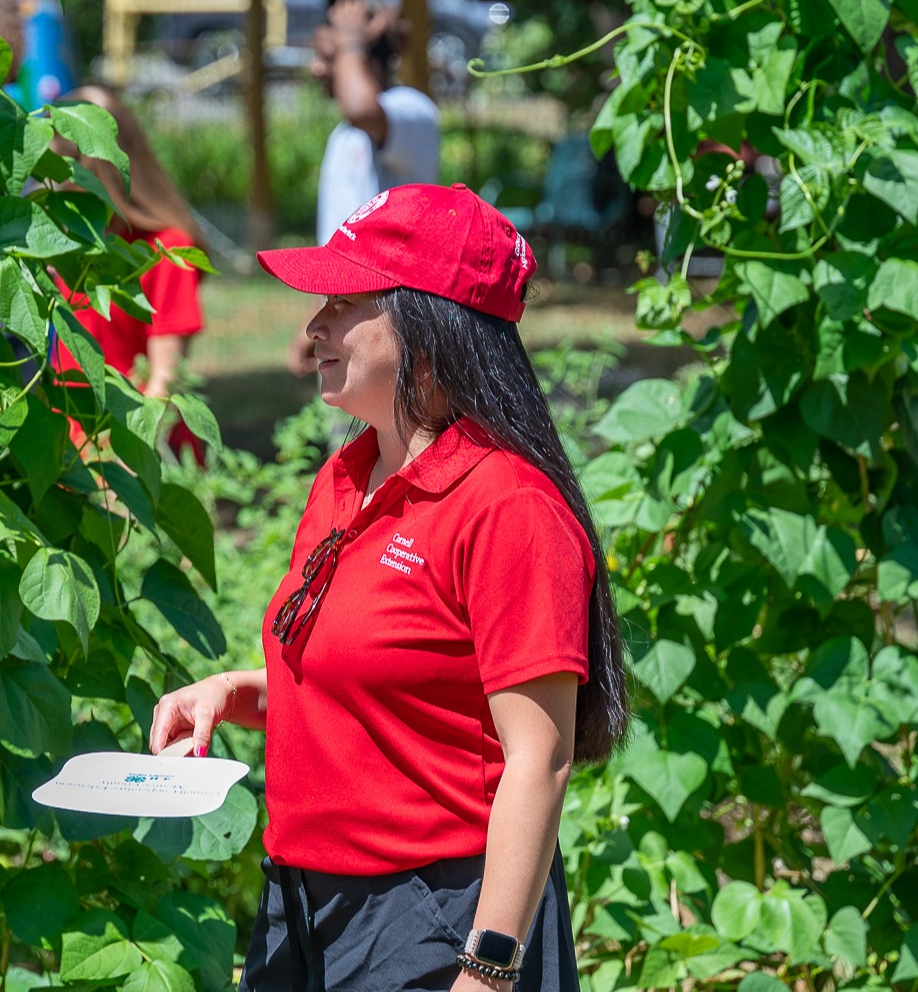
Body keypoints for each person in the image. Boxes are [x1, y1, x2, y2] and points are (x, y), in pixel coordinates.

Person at [149, 183, 628, 992]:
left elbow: (537, 757)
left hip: (437, 919)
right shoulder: (349, 474)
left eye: (344, 301)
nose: (313, 328)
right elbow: (382, 686)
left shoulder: (509, 507)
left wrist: (485, 970)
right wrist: (236, 691)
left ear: (430, 330)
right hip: (301, 901)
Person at [290, 0, 442, 376]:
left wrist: (350, 41)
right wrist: (318, 315)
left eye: (329, 55)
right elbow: (342, 245)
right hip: (350, 321)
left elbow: (361, 105)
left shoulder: (410, 110)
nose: (315, 67)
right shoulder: (345, 134)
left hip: (391, 327)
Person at [49, 85, 206, 460]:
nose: (53, 185)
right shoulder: (67, 244)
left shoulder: (164, 250)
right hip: (69, 451)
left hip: (133, 453)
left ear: (96, 167)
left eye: (62, 168)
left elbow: (164, 382)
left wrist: (120, 463)